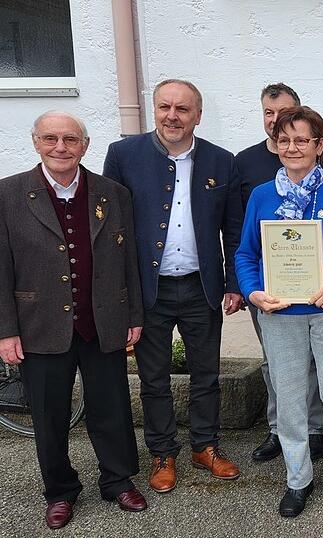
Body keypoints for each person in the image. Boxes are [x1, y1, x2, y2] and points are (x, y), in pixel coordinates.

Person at [0, 111, 147, 529]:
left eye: (70, 139)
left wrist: (133, 314)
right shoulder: (8, 194)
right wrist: (6, 330)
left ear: (85, 145)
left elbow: (129, 259)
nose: (60, 147)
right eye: (51, 138)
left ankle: (117, 480)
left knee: (111, 407)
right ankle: (60, 491)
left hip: (102, 319)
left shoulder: (112, 193)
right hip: (39, 324)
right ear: (36, 142)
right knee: (48, 414)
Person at [103, 79, 244, 493]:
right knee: (154, 379)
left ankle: (205, 446)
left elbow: (234, 229)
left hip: (202, 287)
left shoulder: (221, 160)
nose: (172, 116)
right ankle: (163, 453)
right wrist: (121, 292)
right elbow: (111, 230)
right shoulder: (123, 155)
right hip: (150, 289)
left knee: (206, 374)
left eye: (182, 109)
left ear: (197, 115)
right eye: (165, 106)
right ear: (154, 109)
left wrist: (234, 283)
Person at [236, 106, 323, 516]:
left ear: (319, 146)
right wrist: (253, 292)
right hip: (281, 314)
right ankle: (297, 479)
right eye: (284, 140)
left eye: (302, 140)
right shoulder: (262, 196)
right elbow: (246, 255)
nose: (292, 147)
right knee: (291, 400)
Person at [235, 83, 323, 464]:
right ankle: (278, 429)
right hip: (268, 288)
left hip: (316, 286)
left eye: (285, 114)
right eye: (269, 114)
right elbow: (239, 231)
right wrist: (243, 286)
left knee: (313, 361)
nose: (276, 122)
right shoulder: (244, 162)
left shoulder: (322, 159)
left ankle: (314, 428)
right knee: (274, 360)